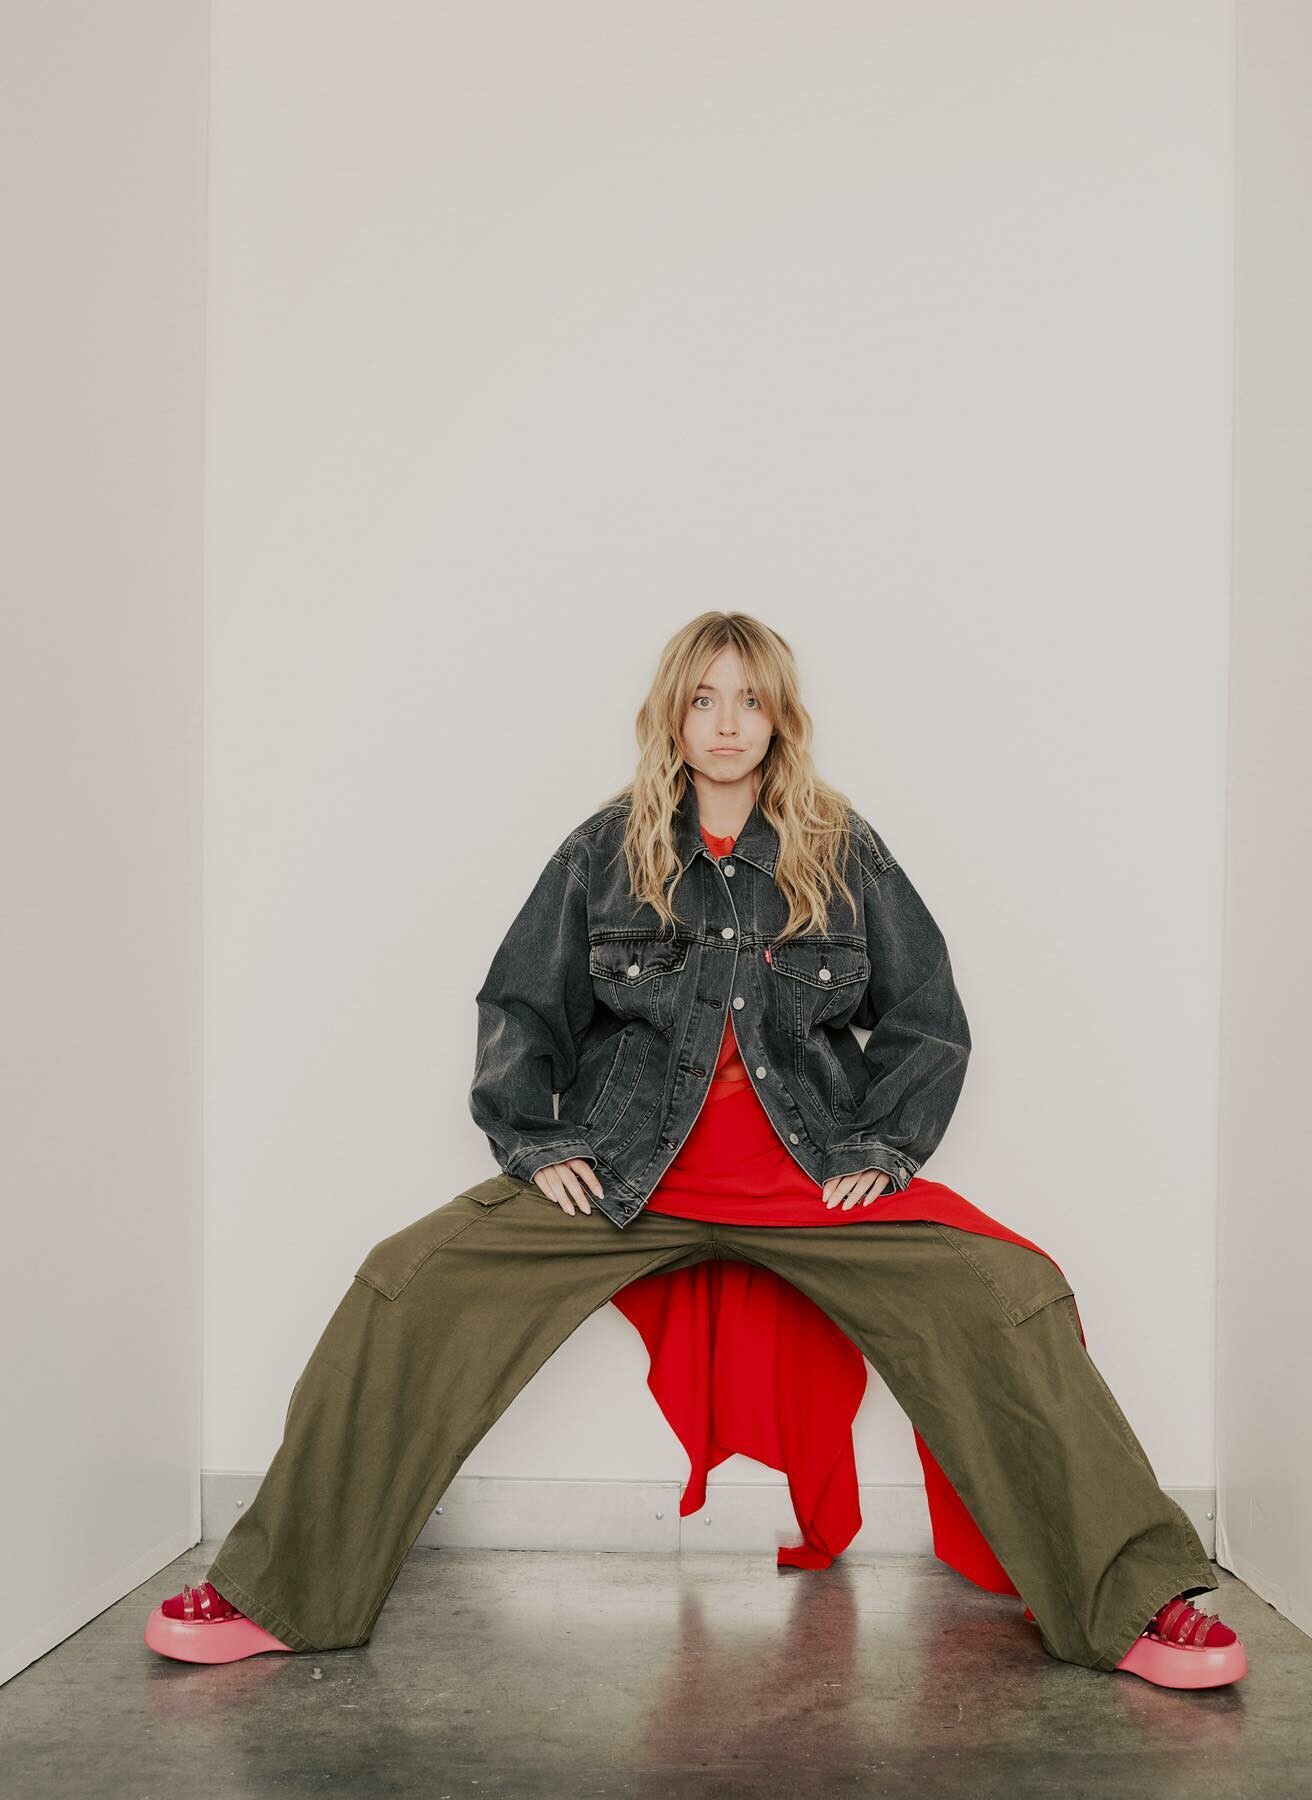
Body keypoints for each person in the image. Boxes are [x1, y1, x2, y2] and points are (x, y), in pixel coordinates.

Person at [145, 612, 1246, 1689]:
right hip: (628, 1179)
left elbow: (929, 1018)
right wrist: (535, 1141)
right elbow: (521, 1006)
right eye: (704, 700)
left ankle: (1126, 1602)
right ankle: (279, 1593)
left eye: (750, 701)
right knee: (405, 1282)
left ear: (780, 718)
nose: (726, 724)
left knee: (1011, 1294)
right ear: (671, 715)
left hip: (807, 1179)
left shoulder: (842, 848)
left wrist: (882, 1143)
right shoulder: (604, 849)